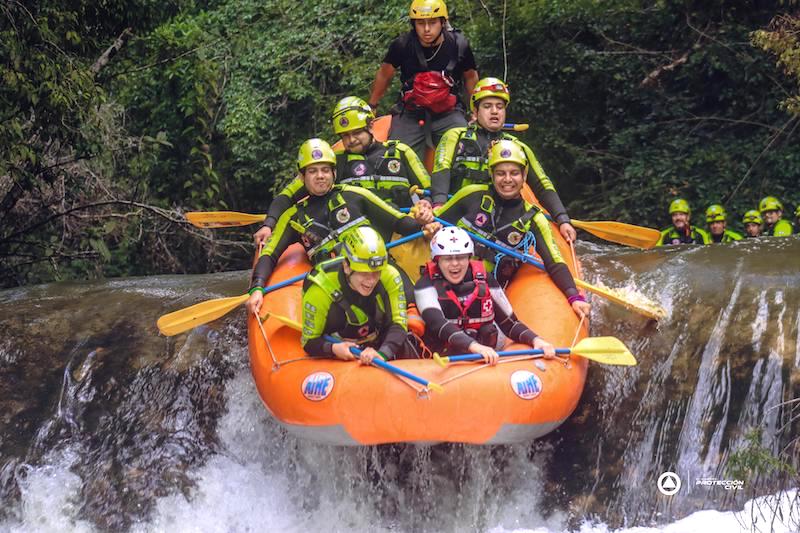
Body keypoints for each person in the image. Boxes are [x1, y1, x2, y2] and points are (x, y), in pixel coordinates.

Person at [246, 138, 431, 315]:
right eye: (313, 171)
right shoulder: (293, 217)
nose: (320, 176)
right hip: (336, 283)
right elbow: (270, 255)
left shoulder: (355, 194)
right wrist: (257, 288)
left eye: (325, 170)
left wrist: (423, 225)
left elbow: (398, 221)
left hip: (374, 269)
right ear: (302, 177)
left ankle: (413, 321)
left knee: (392, 276)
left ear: (334, 173)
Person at [435, 139, 590, 319]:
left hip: (486, 292)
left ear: (524, 176)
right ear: (491, 175)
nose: (507, 180)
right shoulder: (471, 195)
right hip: (446, 281)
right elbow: (432, 223)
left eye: (514, 173)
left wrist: (574, 296)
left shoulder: (533, 219)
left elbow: (554, 262)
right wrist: (424, 218)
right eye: (500, 173)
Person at [252, 96, 434, 246]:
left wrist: (426, 204)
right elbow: (287, 196)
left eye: (356, 133)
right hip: (359, 239)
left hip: (404, 232)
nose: (351, 140)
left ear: (371, 127)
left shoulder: (401, 152)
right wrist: (269, 224)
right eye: (345, 136)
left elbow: (430, 190)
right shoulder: (333, 163)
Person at [431, 77, 577, 242]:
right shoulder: (455, 136)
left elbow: (542, 185)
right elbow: (441, 169)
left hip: (497, 223)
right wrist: (439, 205)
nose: (495, 111)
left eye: (499, 107)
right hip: (457, 216)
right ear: (475, 112)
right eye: (487, 106)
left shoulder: (517, 147)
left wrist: (563, 219)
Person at [414, 227, 556, 365]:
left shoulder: (484, 279)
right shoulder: (425, 285)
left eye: (461, 257)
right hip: (443, 358)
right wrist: (475, 347)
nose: (455, 264)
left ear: (469, 258)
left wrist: (536, 340)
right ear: (437, 261)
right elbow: (438, 324)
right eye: (447, 259)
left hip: (484, 355)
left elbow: (510, 323)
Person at [369, 0, 479, 161]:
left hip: (449, 112)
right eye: (421, 23)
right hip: (411, 113)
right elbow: (385, 74)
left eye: (432, 22)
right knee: (397, 158)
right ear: (414, 24)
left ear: (443, 22)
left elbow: (471, 77)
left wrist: (476, 109)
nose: (427, 29)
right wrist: (372, 105)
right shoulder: (403, 45)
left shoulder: (458, 45)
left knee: (467, 150)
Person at [301, 226, 418, 362]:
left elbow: (399, 323)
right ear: (346, 266)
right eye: (364, 273)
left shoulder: (389, 275)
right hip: (340, 348)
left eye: (376, 272)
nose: (371, 280)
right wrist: (333, 348)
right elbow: (308, 342)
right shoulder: (319, 289)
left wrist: (382, 354)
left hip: (378, 339)